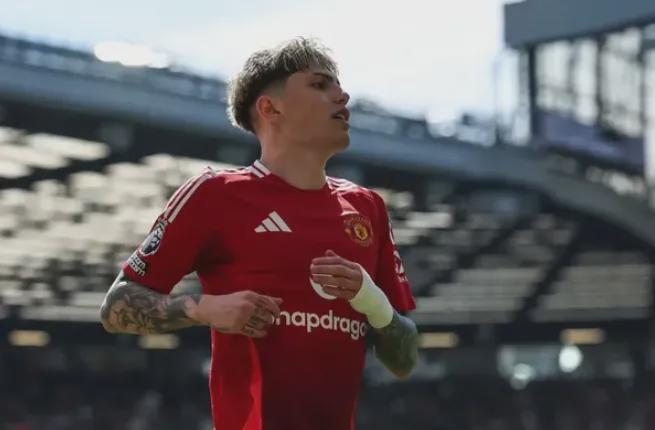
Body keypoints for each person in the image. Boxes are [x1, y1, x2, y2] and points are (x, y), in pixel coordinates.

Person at [100, 37, 419, 430]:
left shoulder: (367, 208)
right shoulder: (215, 194)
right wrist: (203, 309)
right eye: (320, 85)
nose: (343, 95)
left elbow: (404, 360)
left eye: (338, 85)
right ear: (270, 109)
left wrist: (371, 299)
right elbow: (116, 307)